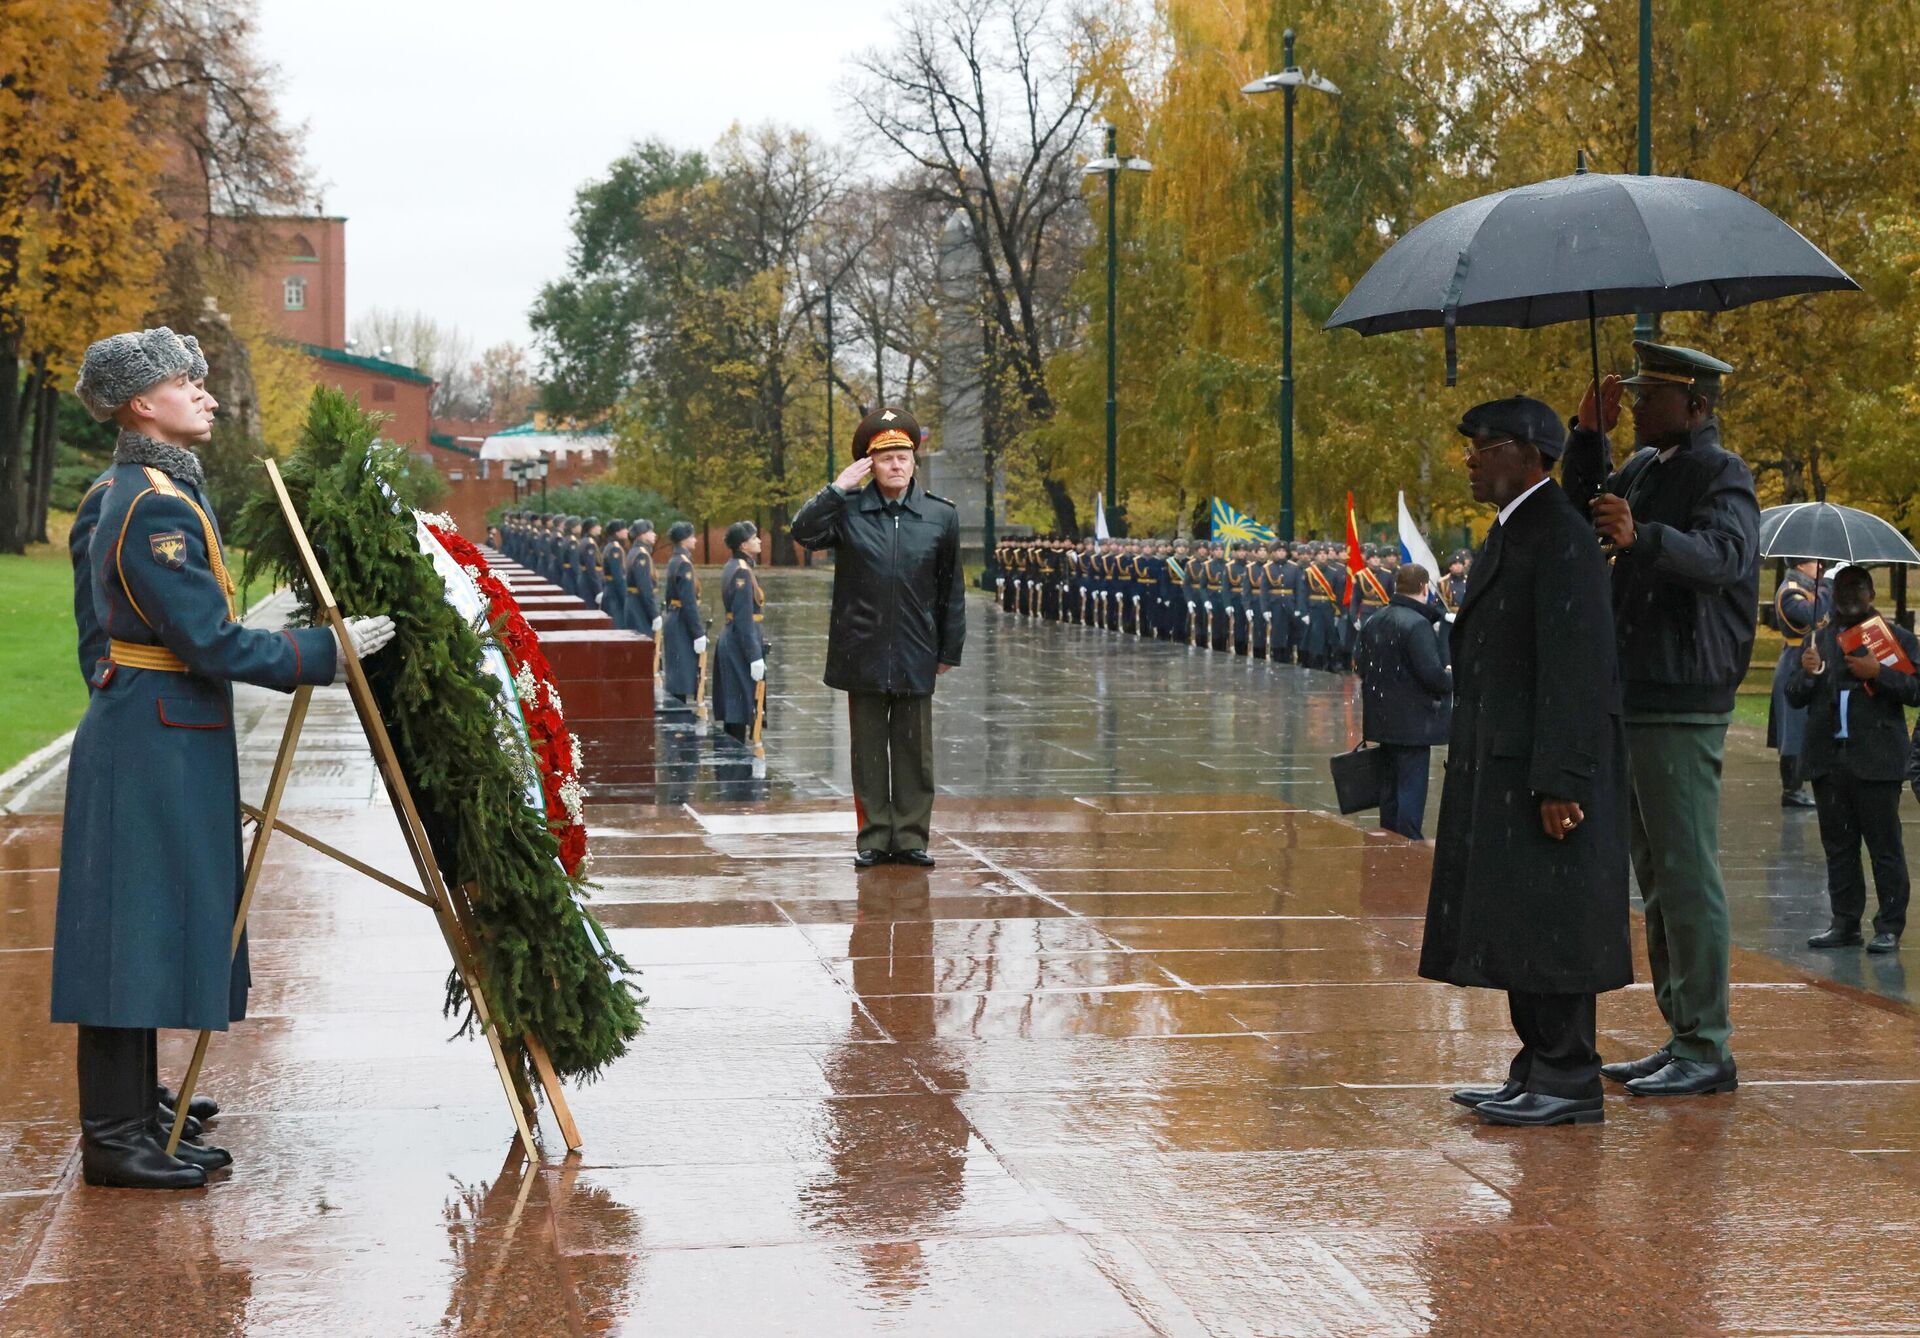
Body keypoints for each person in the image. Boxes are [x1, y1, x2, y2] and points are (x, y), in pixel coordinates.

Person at [59, 326, 394, 1187]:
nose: (206, 394)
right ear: (143, 404)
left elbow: (106, 617)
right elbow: (208, 642)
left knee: (148, 925)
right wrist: (324, 652)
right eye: (187, 382)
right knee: (128, 935)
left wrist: (112, 669)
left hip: (155, 728)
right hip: (154, 739)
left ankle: (135, 1110)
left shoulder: (147, 489)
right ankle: (114, 1138)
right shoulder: (152, 502)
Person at [1422, 395, 1630, 1128]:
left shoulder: (1561, 537)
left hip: (1541, 773)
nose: (1472, 458)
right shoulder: (1522, 531)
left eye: (1486, 445)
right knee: (1522, 923)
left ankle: (1570, 1075)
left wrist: (1561, 780)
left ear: (1530, 455)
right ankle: (1535, 1065)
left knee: (1555, 924)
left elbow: (1577, 670)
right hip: (1504, 764)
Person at [1562, 341, 1758, 1099]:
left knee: (1685, 872)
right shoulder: (1644, 468)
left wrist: (1643, 536)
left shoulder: (1721, 473)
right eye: (1634, 395)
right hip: (1637, 689)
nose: (1637, 404)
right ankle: (1681, 1032)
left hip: (1683, 694)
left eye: (1651, 396)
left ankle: (1708, 1043)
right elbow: (1587, 507)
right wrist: (1586, 435)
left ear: (1697, 406)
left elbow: (1726, 557)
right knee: (1656, 876)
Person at [791, 406, 965, 868]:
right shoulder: (849, 511)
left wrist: (949, 649)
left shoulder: (939, 516)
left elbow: (952, 588)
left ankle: (909, 837)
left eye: (903, 456)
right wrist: (836, 489)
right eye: (885, 457)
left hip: (916, 648)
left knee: (914, 751)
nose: (895, 465)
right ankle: (873, 837)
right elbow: (802, 532)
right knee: (868, 751)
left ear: (914, 461)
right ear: (870, 463)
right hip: (862, 648)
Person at [1789, 565, 1918, 953]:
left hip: (1876, 761)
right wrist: (1808, 674)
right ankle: (1845, 922)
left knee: (1884, 848)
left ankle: (1889, 926)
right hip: (1829, 762)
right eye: (1842, 588)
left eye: (1857, 588)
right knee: (1839, 848)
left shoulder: (1894, 640)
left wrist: (1879, 672)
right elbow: (1794, 695)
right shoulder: (1817, 639)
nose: (1849, 595)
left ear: (1871, 594)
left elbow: (1915, 690)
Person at [1356, 563, 1452, 841]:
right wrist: (1450, 679)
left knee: (1389, 791)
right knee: (1411, 790)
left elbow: (1360, 664)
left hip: (1382, 718)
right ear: (1424, 588)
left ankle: (1390, 842)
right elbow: (1431, 675)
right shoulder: (1417, 624)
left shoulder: (1376, 618)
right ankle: (1409, 845)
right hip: (1412, 723)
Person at [1770, 557, 1830, 808]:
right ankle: (1791, 789)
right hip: (1796, 660)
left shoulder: (1806, 590)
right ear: (1799, 566)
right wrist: (1827, 587)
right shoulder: (1791, 592)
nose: (1819, 567)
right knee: (1792, 729)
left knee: (1805, 725)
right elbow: (1812, 615)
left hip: (1809, 657)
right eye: (1814, 563)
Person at [712, 521, 768, 743]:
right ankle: (735, 758)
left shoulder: (734, 565)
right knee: (739, 702)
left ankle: (734, 752)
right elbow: (744, 619)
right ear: (744, 545)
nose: (759, 541)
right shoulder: (742, 572)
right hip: (739, 641)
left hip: (734, 638)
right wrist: (754, 656)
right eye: (755, 538)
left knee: (736, 701)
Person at [661, 521, 705, 707]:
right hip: (680, 621)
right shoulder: (684, 564)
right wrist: (698, 633)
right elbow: (689, 603)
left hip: (674, 617)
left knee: (678, 673)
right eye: (692, 536)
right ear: (684, 540)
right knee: (681, 675)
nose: (695, 540)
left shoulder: (675, 560)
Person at [623, 519, 661, 637]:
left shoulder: (635, 551)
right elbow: (645, 588)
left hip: (634, 604)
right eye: (651, 531)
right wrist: (654, 614)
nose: (654, 534)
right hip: (639, 607)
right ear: (642, 534)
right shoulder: (641, 555)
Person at [599, 519, 628, 627]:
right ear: (616, 532)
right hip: (614, 595)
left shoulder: (610, 546)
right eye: (623, 529)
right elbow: (618, 577)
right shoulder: (615, 548)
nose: (626, 531)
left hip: (610, 591)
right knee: (617, 627)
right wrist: (625, 598)